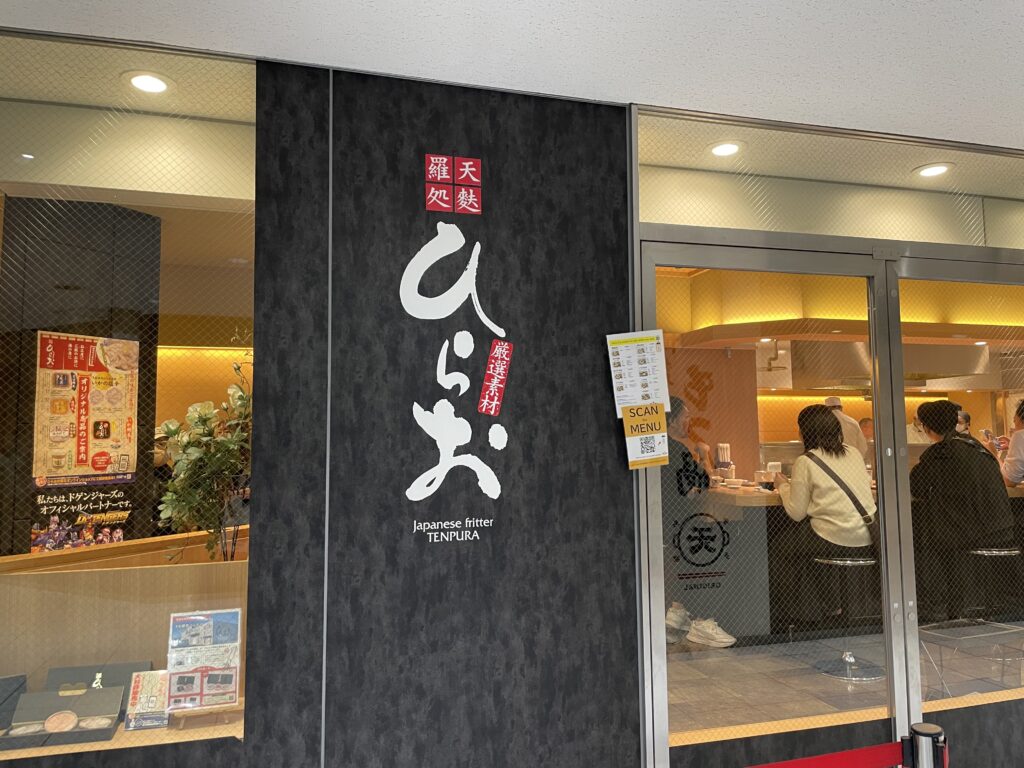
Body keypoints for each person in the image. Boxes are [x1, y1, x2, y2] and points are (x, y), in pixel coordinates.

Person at [910, 400, 1016, 621]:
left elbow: (916, 486)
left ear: (926, 428)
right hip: (1001, 527)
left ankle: (946, 607)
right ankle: (959, 606)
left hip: (971, 533)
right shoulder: (975, 445)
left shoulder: (939, 452)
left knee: (930, 532)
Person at [773, 404, 876, 624]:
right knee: (810, 540)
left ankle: (791, 616)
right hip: (866, 534)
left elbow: (796, 512)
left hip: (832, 538)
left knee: (780, 548)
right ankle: (831, 605)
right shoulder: (853, 453)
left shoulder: (806, 461)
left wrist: (782, 486)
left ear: (804, 432)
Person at [661, 396, 735, 648]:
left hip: (665, 523)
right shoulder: (677, 450)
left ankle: (678, 612)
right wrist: (704, 455)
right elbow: (701, 485)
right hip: (678, 526)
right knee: (721, 542)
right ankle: (702, 620)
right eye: (685, 417)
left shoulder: (658, 447)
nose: (689, 422)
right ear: (672, 420)